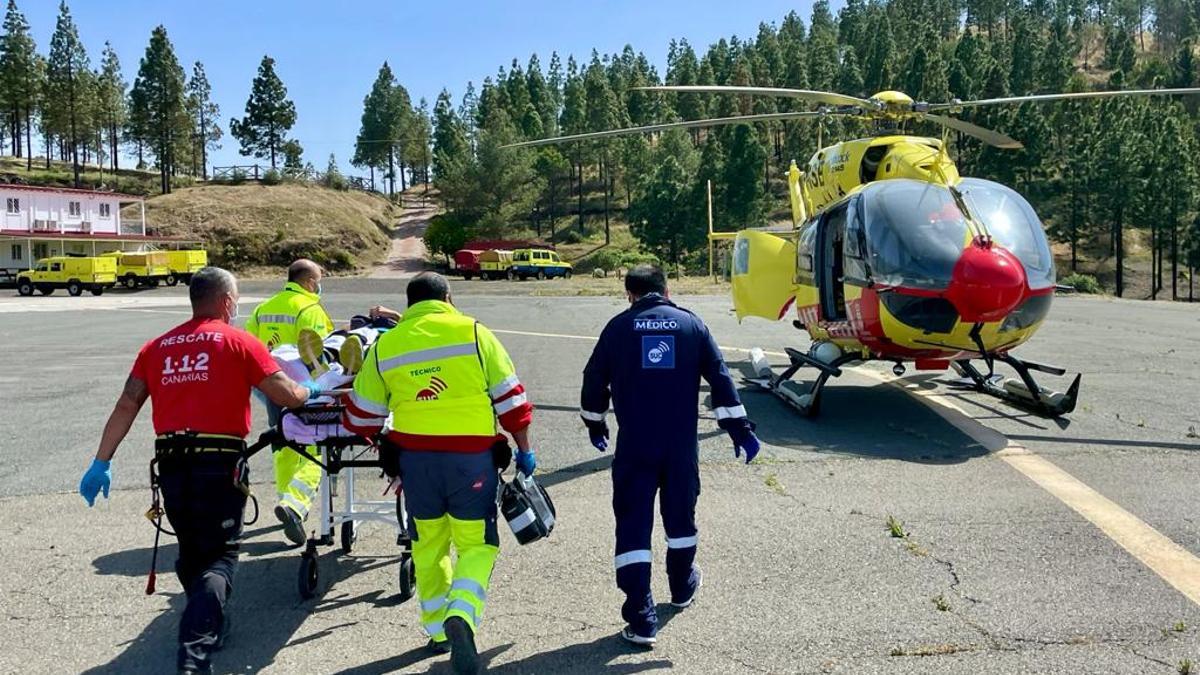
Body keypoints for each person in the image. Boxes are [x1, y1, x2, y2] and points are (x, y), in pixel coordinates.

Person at [78, 267, 319, 675]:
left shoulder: (157, 347)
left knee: (191, 556)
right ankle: (194, 657)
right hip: (218, 464)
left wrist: (101, 461)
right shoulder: (239, 342)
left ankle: (211, 622)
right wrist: (311, 389)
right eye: (237, 298)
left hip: (171, 466)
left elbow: (127, 404)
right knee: (219, 559)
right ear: (227, 301)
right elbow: (287, 396)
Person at [342, 272, 535, 675]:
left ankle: (437, 630)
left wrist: (386, 439)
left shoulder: (387, 344)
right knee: (477, 546)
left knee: (428, 546)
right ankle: (462, 616)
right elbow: (512, 403)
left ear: (409, 303)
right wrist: (525, 451)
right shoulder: (475, 334)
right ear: (448, 297)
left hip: (415, 465)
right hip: (472, 463)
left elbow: (360, 416)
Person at [580, 264, 761, 647]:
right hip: (680, 448)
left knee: (633, 526)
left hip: (635, 447)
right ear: (667, 289)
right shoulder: (691, 325)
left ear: (629, 293)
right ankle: (681, 587)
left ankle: (643, 617)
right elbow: (721, 378)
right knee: (680, 520)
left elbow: (594, 379)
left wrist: (595, 423)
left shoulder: (617, 328)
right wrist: (740, 430)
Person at [245, 258, 334, 545]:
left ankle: (285, 497)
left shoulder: (263, 309)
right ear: (309, 281)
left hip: (272, 388)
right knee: (314, 447)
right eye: (318, 279)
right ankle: (296, 503)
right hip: (304, 390)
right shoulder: (310, 309)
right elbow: (323, 358)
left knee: (282, 443)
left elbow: (249, 348)